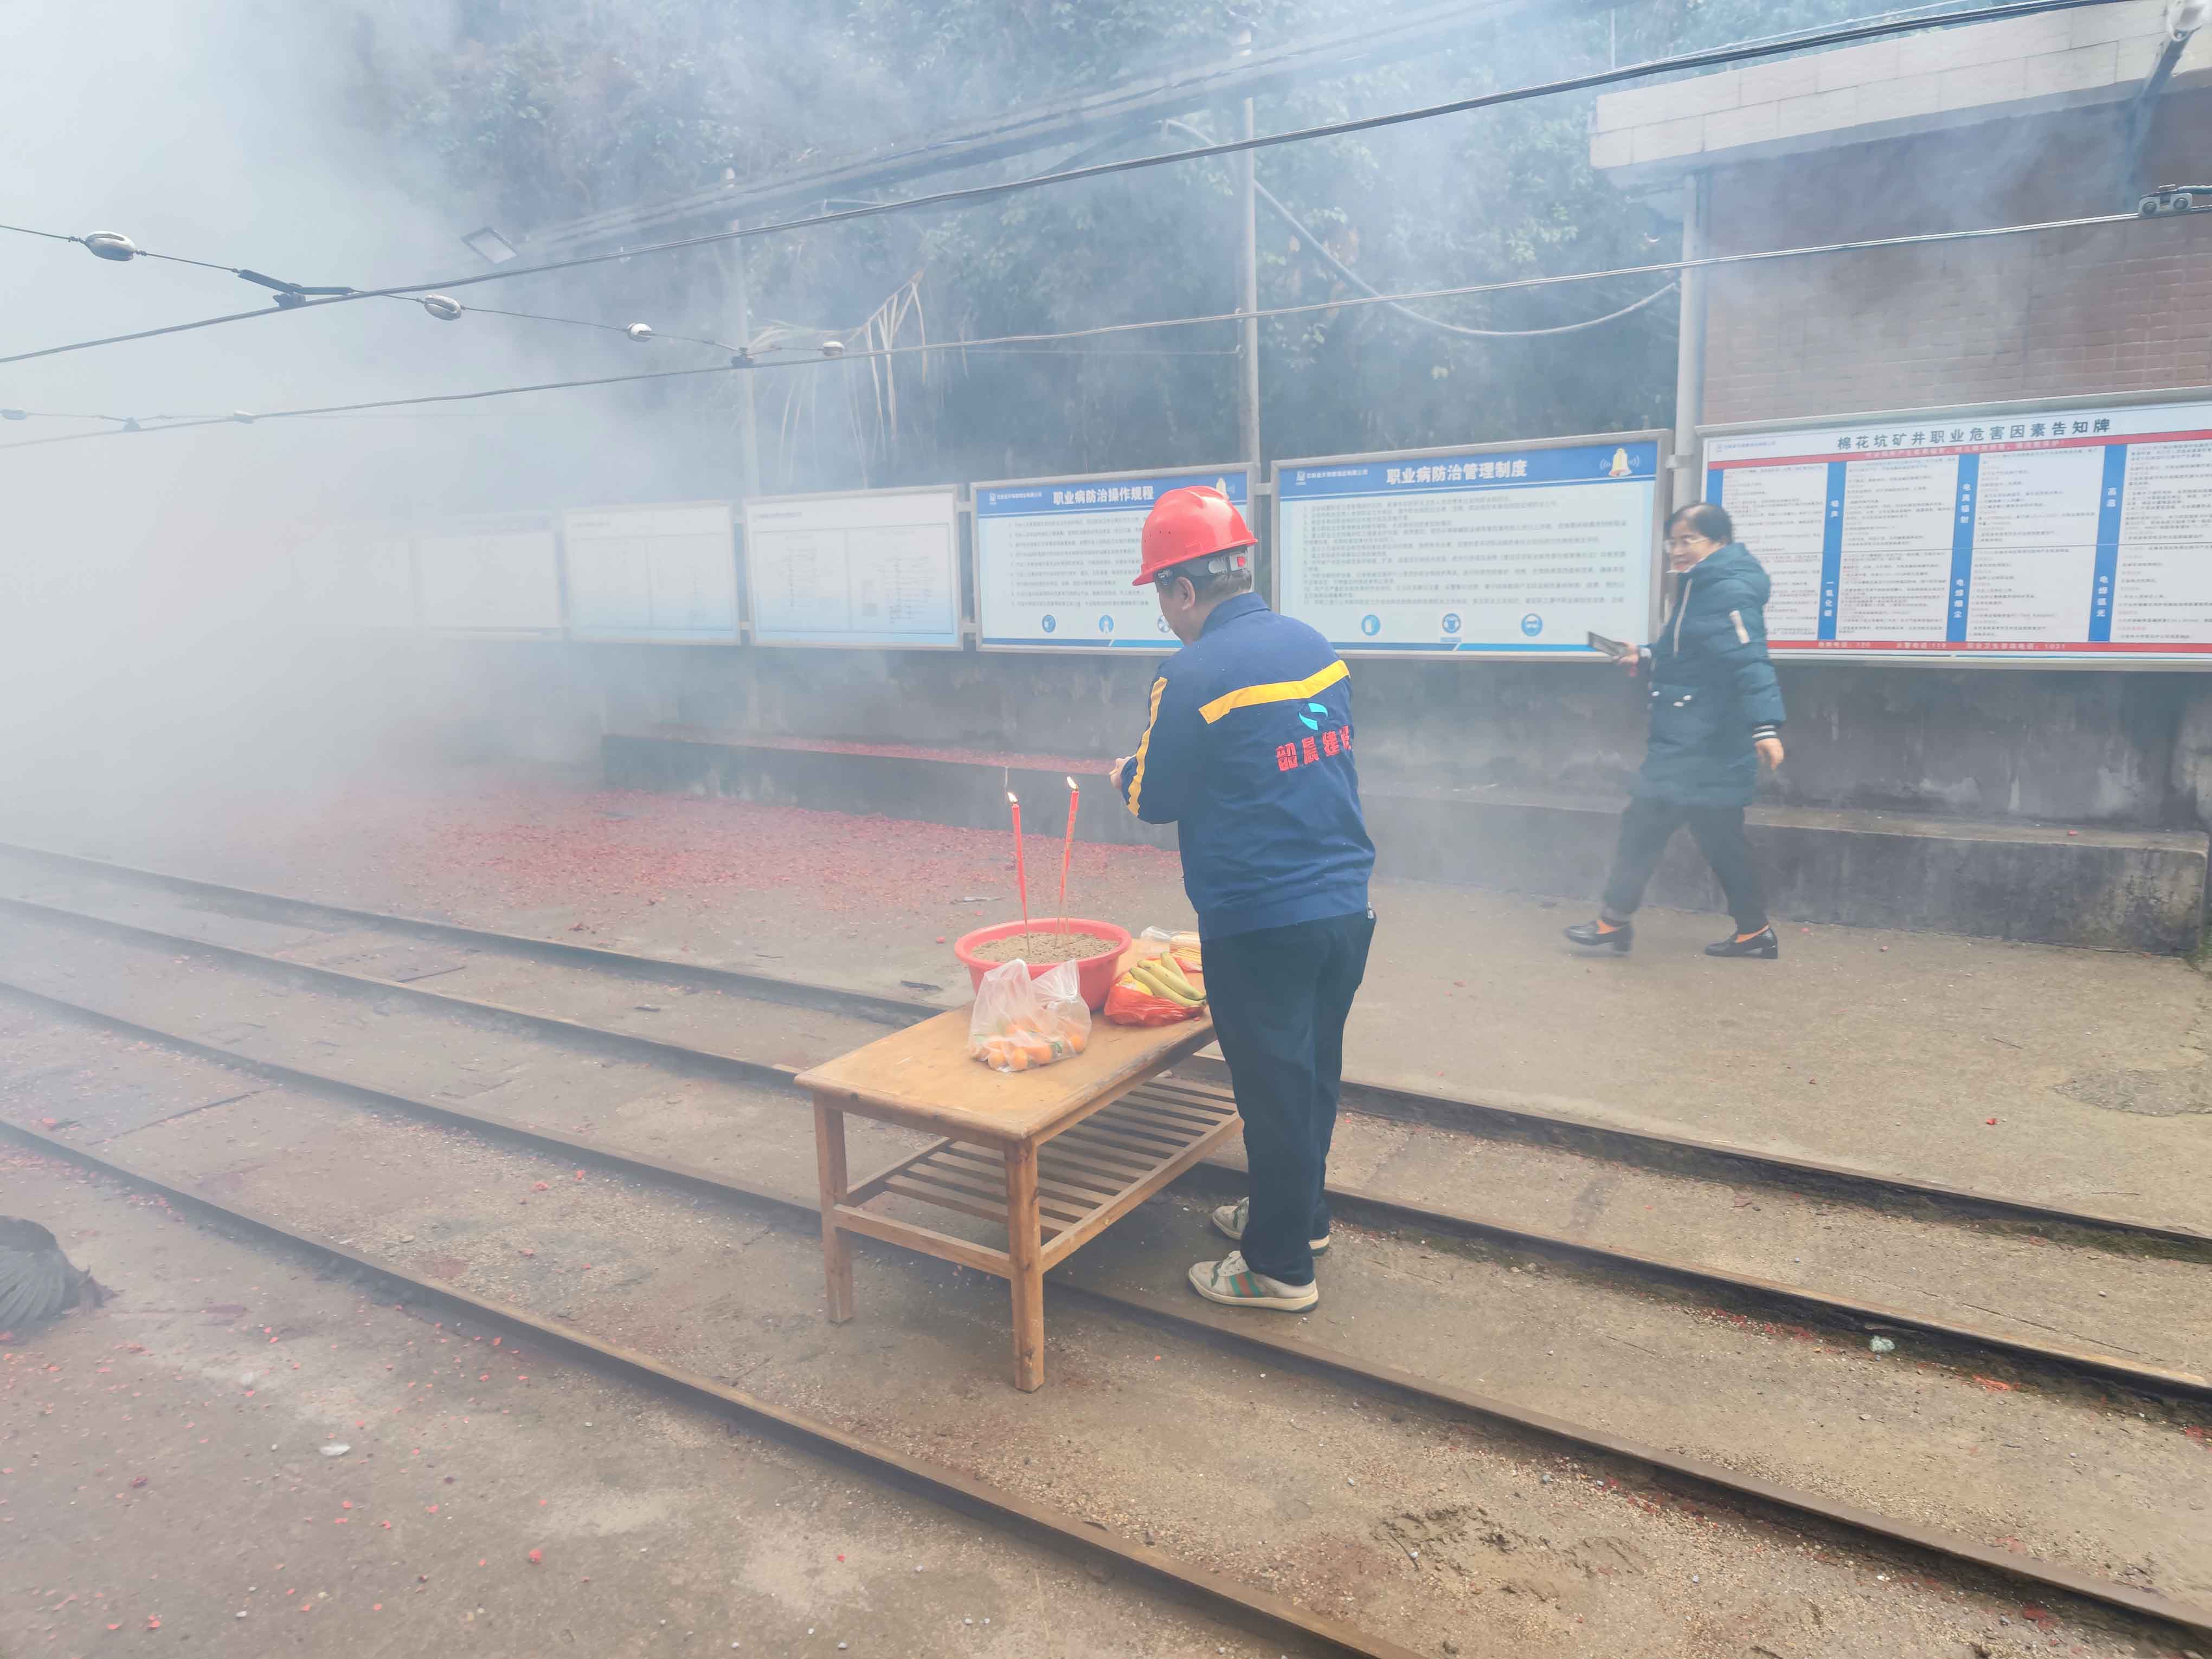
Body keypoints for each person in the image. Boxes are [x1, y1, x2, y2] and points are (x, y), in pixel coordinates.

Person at [1108, 486, 1375, 1313]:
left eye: (1161, 595)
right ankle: (1300, 1219)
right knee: (1312, 1074)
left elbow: (1154, 796)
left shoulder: (1191, 673)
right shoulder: (1312, 645)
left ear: (1184, 588)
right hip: (1346, 905)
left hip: (1261, 920)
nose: (1164, 614)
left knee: (1272, 1094)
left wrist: (1124, 774)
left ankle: (1278, 1270)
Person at [1565, 500, 1786, 959]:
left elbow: (1751, 660)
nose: (1678, 550)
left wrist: (1765, 727)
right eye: (1673, 542)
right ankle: (1754, 932)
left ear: (1719, 541)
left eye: (1689, 540)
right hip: (1699, 739)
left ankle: (1613, 922)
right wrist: (1644, 655)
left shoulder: (1728, 589)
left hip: (1699, 744)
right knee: (1721, 840)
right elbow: (1690, 653)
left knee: (1643, 826)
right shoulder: (1700, 586)